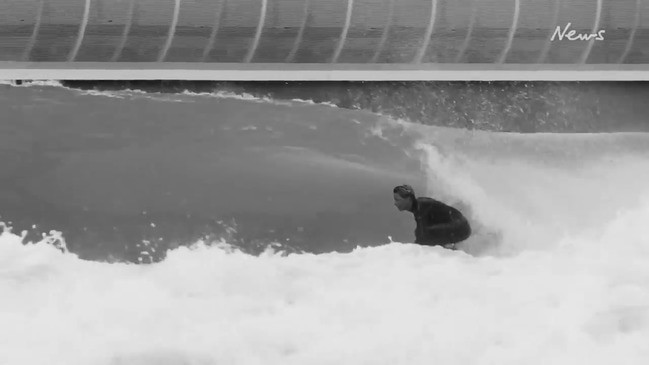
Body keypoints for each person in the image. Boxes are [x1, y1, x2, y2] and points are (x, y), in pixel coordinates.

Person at [393, 184, 471, 249]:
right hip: (458, 226)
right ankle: (450, 252)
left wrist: (412, 253)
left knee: (426, 234)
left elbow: (423, 236)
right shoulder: (418, 207)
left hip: (461, 227)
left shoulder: (421, 205)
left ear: (409, 199)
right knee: (423, 234)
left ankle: (450, 254)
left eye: (397, 200)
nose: (395, 203)